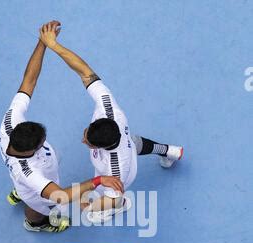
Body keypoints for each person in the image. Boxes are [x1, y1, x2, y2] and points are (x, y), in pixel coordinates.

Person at [39, 21, 183, 223]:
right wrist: (53, 45)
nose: (83, 140)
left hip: (121, 178)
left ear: (102, 147)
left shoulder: (114, 168)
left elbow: (113, 195)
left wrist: (87, 202)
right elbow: (84, 71)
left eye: (87, 141)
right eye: (86, 133)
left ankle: (124, 206)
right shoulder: (108, 108)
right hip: (126, 142)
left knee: (90, 208)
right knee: (134, 142)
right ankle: (171, 151)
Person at [0, 21, 123, 233]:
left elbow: (29, 81)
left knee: (27, 188)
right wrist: (99, 180)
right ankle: (35, 223)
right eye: (42, 142)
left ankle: (19, 192)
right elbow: (62, 196)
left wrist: (42, 43)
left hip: (32, 179)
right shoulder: (31, 174)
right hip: (36, 188)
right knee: (37, 206)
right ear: (31, 151)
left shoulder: (10, 123)